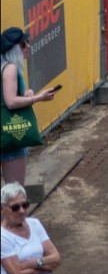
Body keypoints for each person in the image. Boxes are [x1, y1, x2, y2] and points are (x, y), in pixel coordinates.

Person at [0, 31, 55, 186]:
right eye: (24, 43)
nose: (28, 46)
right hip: (10, 134)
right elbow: (10, 102)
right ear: (13, 48)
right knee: (15, 190)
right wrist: (36, 98)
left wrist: (24, 95)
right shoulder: (10, 68)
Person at [1, 181, 61, 274]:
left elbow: (57, 258)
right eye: (15, 207)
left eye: (25, 205)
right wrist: (46, 268)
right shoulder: (2, 236)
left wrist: (34, 263)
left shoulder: (35, 224)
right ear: (2, 209)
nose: (21, 210)